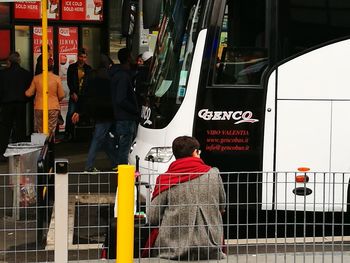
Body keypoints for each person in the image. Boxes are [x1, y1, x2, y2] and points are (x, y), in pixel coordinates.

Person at [143, 136, 226, 260]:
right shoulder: (213, 174)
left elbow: (153, 216)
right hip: (210, 247)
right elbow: (222, 207)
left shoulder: (165, 179)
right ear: (195, 152)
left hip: (171, 250)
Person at [71, 54, 117, 172]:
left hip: (95, 110)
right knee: (98, 138)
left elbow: (84, 94)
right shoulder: (110, 76)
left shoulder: (90, 75)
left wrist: (79, 111)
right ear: (109, 65)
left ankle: (115, 162)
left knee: (104, 138)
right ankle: (89, 166)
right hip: (108, 111)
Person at [0, 52, 32, 162]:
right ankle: (19, 153)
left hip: (7, 104)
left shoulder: (3, 74)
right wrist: (26, 100)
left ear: (9, 61)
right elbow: (30, 92)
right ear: (19, 61)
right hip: (20, 104)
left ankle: (3, 153)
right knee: (20, 128)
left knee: (5, 129)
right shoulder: (26, 74)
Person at [110, 48, 139, 166]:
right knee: (125, 146)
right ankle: (123, 171)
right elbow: (121, 99)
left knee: (122, 144)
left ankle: (121, 167)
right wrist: (134, 109)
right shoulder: (123, 76)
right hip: (125, 116)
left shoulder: (116, 74)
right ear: (128, 58)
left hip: (121, 115)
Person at [25, 58, 65, 133]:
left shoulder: (36, 78)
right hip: (53, 107)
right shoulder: (56, 78)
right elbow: (61, 95)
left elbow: (29, 93)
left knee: (41, 129)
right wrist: (55, 99)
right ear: (52, 66)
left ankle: (42, 142)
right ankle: (49, 143)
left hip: (39, 107)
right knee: (50, 130)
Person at [64, 48, 92, 141]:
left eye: (84, 57)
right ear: (78, 56)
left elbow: (89, 82)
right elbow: (69, 81)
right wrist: (72, 92)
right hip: (75, 94)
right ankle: (68, 132)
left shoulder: (88, 69)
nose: (82, 59)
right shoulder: (72, 67)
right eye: (81, 56)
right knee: (71, 112)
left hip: (85, 95)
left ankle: (84, 133)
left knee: (84, 113)